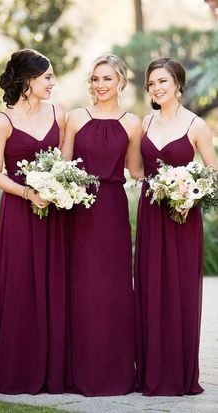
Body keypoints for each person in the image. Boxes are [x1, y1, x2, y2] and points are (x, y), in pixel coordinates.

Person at [0, 49, 67, 394]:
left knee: (52, 285)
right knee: (19, 285)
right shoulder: (2, 121)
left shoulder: (59, 114)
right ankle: (14, 366)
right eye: (47, 77)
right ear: (28, 80)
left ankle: (51, 368)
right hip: (19, 211)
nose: (52, 83)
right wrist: (27, 193)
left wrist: (59, 188)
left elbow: (66, 162)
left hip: (54, 213)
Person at [133, 57, 218, 396]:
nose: (156, 88)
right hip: (152, 212)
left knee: (179, 290)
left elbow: (212, 173)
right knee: (151, 288)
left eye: (163, 82)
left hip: (183, 215)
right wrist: (162, 182)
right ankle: (151, 372)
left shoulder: (197, 125)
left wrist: (186, 188)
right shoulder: (145, 122)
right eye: (152, 83)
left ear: (178, 85)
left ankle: (180, 373)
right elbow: (137, 170)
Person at [62, 54, 143, 396]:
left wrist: (178, 182)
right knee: (80, 287)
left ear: (121, 82)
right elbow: (61, 164)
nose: (100, 85)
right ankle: (78, 371)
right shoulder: (75, 118)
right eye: (95, 79)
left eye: (107, 78)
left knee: (113, 289)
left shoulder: (133, 123)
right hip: (77, 209)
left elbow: (136, 170)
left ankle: (115, 372)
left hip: (111, 209)